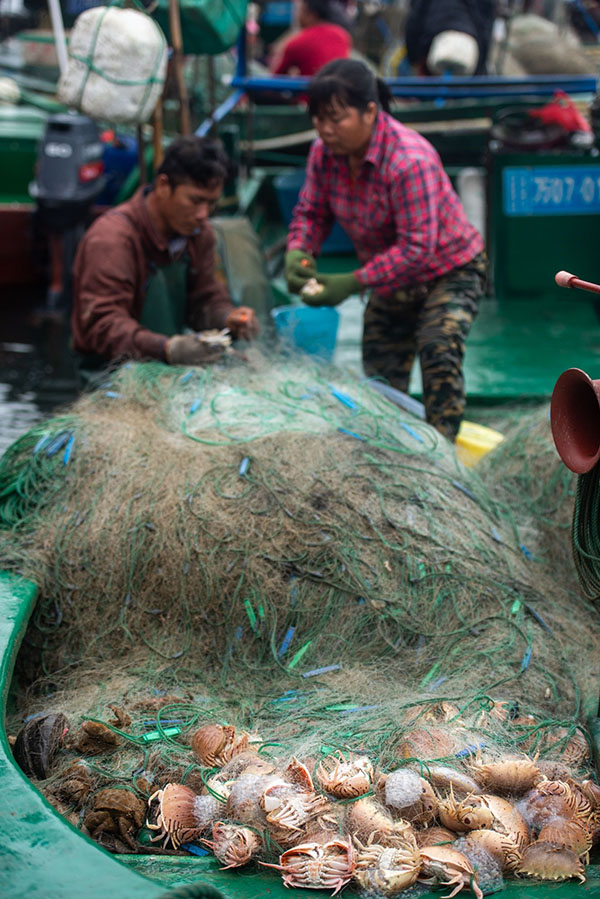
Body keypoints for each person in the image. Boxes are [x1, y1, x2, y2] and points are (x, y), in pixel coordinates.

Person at [285, 59, 486, 442]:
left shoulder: (409, 161)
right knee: (379, 376)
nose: (325, 130)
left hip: (451, 271)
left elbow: (417, 248)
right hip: (393, 278)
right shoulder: (323, 154)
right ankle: (389, 451)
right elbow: (312, 212)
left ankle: (443, 454)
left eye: (336, 118)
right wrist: (300, 251)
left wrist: (352, 281)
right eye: (317, 119)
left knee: (438, 347)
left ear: (371, 112)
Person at [71, 136, 259, 373]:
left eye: (211, 203)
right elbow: (103, 325)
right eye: (195, 200)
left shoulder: (198, 234)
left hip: (167, 373)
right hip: (108, 376)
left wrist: (227, 317)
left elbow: (205, 297)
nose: (203, 214)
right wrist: (167, 348)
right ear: (163, 186)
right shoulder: (112, 239)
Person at [269, 0, 352, 78]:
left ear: (310, 14)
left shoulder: (299, 41)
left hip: (310, 92)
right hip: (338, 92)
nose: (296, 15)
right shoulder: (342, 35)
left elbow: (276, 77)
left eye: (298, 10)